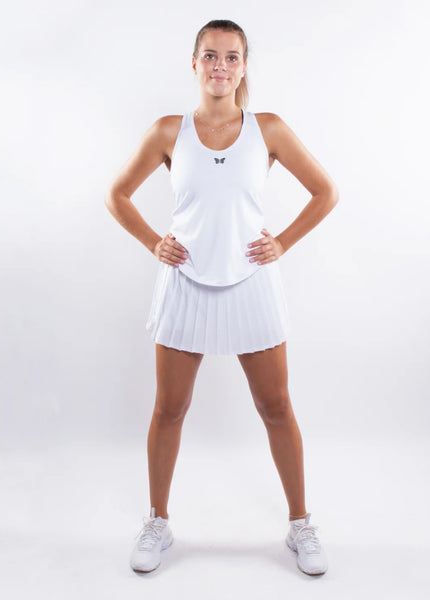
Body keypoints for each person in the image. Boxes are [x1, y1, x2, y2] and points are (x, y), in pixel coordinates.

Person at [105, 19, 339, 576]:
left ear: (244, 66)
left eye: (232, 57)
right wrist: (154, 242)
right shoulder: (168, 131)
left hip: (251, 282)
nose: (220, 66)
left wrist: (281, 243)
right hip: (185, 281)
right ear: (194, 63)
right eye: (210, 55)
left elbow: (325, 192)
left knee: (276, 407)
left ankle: (300, 524)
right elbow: (117, 195)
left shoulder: (268, 129)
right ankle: (158, 521)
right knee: (169, 408)